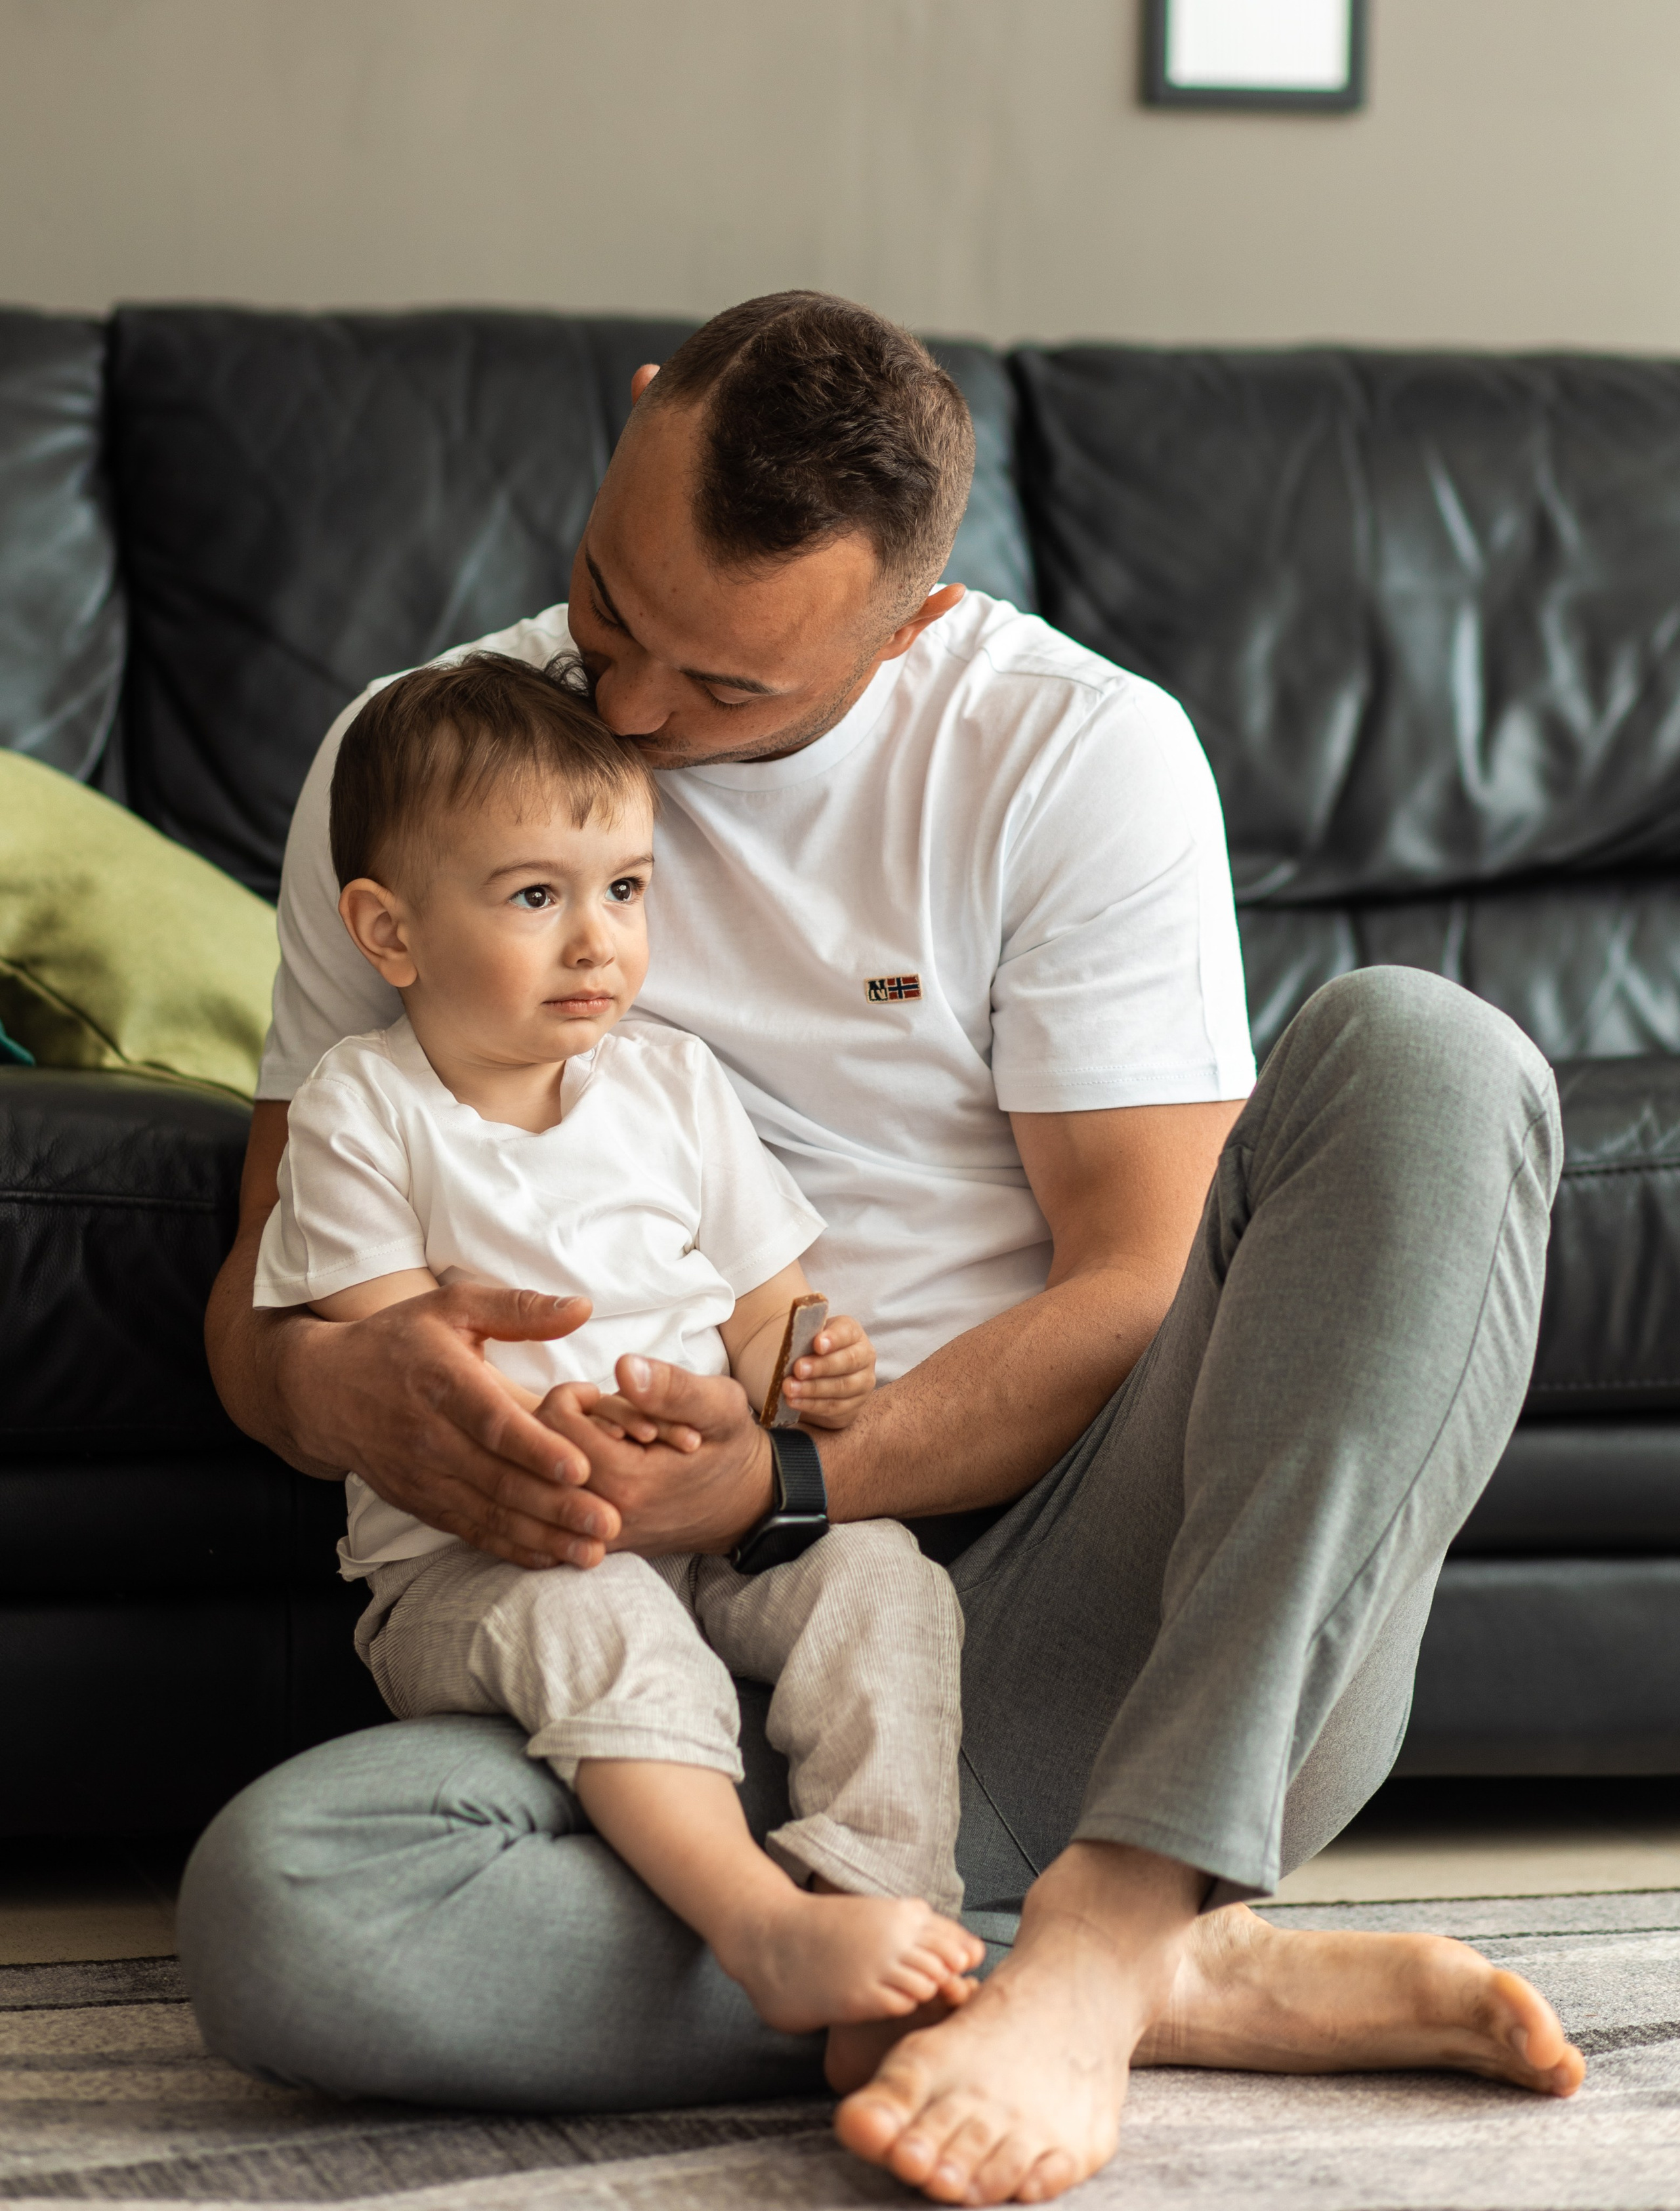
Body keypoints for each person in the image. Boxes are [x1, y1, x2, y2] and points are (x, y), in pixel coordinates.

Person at [188, 291, 1584, 2208]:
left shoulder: (1073, 755)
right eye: (609, 605)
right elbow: (261, 1305)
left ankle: (1113, 1911)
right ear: (639, 415)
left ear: (911, 622)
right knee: (285, 1908)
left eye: (725, 687)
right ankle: (1097, 1967)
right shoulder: (427, 765)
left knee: (1432, 1053)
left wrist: (781, 1477)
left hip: (1094, 1640)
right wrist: (341, 1385)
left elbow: (1133, 1284)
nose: (634, 712)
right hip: (657, 1680)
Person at [254, 648, 982, 2060]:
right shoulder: (362, 1111)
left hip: (704, 1523)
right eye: (536, 896)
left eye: (626, 890)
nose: (598, 941)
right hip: (489, 1558)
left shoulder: (670, 1082)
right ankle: (758, 1929)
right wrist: (574, 1445)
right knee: (603, 1620)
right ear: (389, 932)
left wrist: (807, 1366)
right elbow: (410, 1366)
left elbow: (771, 1312)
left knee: (882, 1578)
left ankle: (882, 1908)